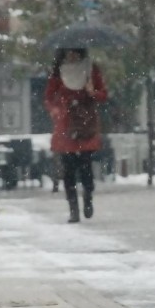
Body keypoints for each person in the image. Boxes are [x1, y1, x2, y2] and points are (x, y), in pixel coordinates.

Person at [45, 48, 109, 223]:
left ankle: (88, 196)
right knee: (68, 171)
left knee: (86, 168)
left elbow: (103, 95)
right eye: (68, 53)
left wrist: (92, 92)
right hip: (65, 127)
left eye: (75, 52)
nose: (71, 56)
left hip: (84, 126)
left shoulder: (90, 70)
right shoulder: (58, 73)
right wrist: (56, 110)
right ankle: (73, 208)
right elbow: (49, 97)